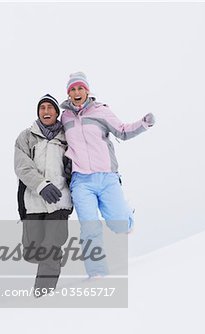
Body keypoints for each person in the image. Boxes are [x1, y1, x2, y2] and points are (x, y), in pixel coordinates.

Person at [60, 72, 155, 277]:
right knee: (89, 228)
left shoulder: (101, 111)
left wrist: (143, 123)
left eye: (80, 88)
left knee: (118, 223)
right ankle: (97, 272)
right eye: (72, 89)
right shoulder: (65, 117)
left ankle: (127, 218)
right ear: (68, 94)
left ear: (87, 91)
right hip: (81, 181)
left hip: (107, 177)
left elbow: (122, 130)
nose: (77, 92)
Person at [14, 94, 73, 297]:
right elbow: (22, 166)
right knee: (32, 252)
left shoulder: (67, 136)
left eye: (50, 108)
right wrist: (41, 185)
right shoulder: (26, 137)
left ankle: (42, 295)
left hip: (60, 201)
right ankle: (52, 256)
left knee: (50, 249)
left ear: (57, 112)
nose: (46, 111)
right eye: (42, 108)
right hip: (33, 202)